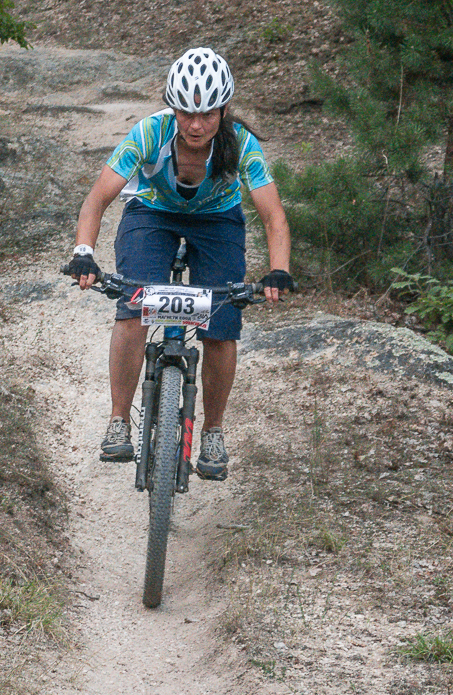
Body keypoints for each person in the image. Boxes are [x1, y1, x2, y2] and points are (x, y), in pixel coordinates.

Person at [64, 47, 294, 480]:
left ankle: (213, 430)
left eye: (207, 114)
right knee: (133, 305)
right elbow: (97, 199)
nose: (196, 124)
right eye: (187, 112)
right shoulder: (149, 134)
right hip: (152, 213)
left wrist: (278, 270)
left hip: (217, 221)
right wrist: (83, 253)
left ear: (223, 110)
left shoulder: (241, 145)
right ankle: (118, 419)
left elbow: (273, 216)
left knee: (222, 325)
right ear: (173, 108)